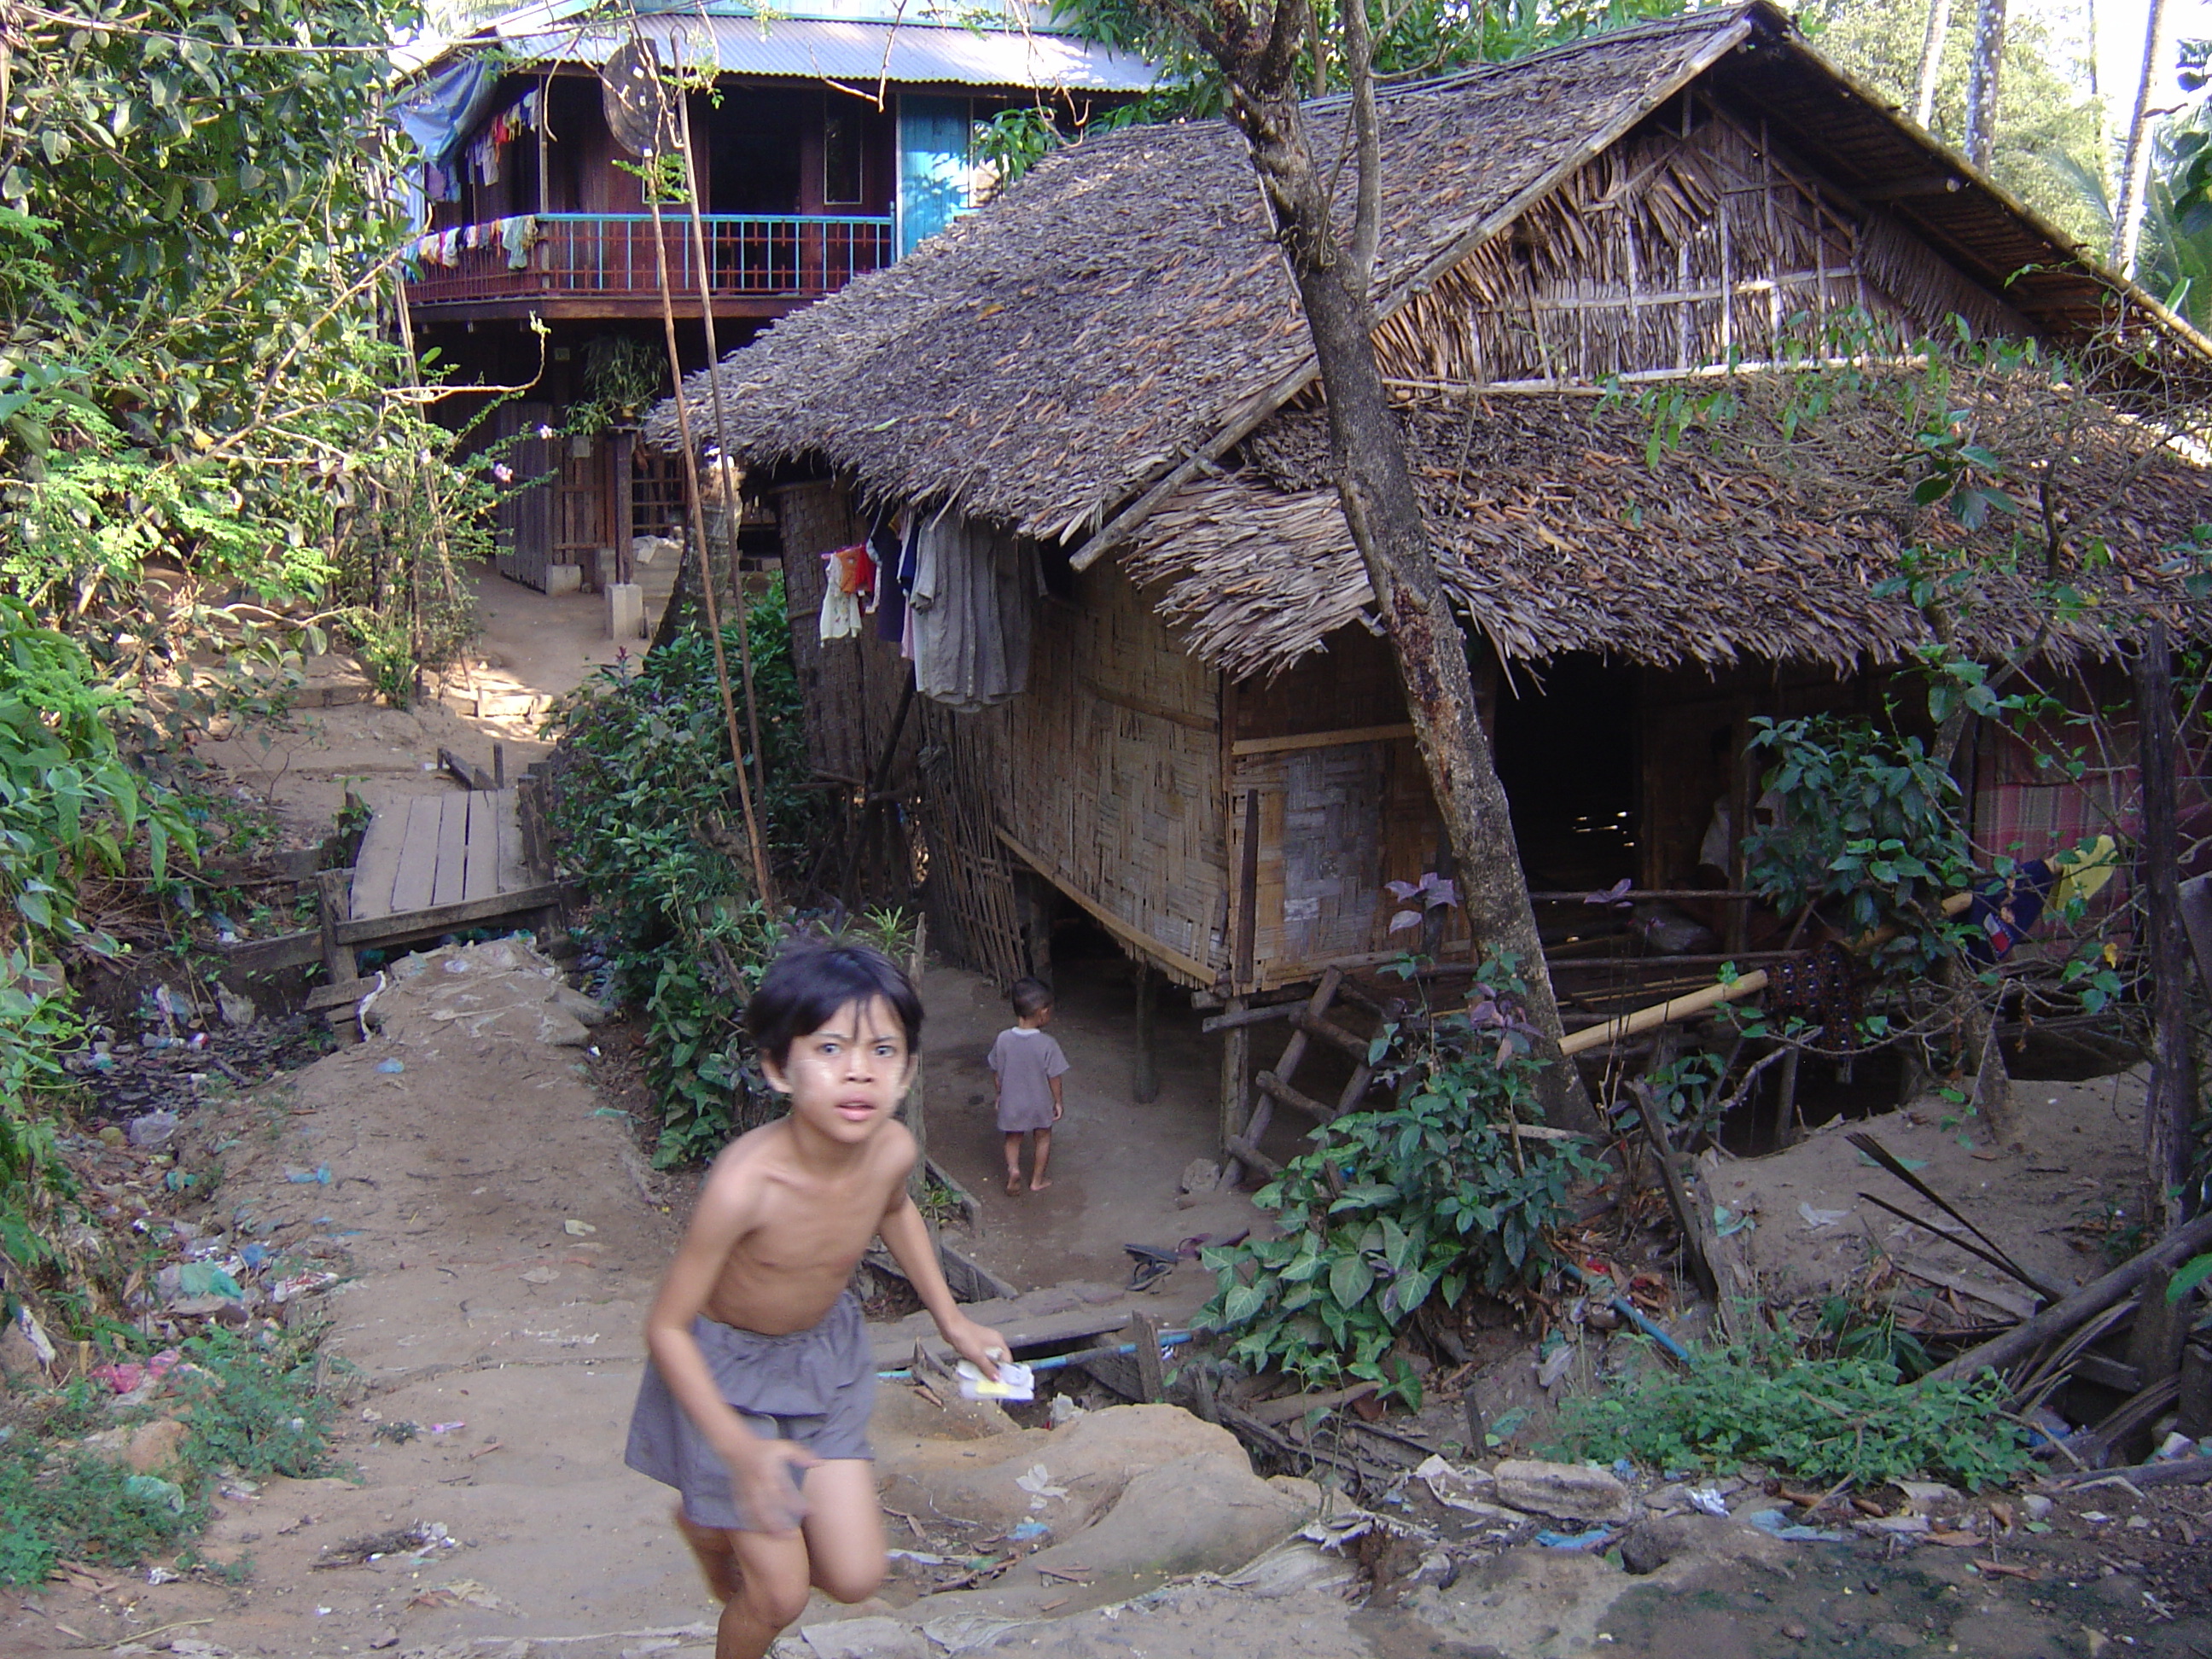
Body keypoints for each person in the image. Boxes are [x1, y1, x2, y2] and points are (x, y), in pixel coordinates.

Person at [625, 941, 1006, 1659]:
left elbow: (895, 1213)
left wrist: (953, 1320)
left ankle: (713, 1521)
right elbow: (667, 1327)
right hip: (727, 1379)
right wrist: (738, 1449)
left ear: (907, 1071)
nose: (859, 1069)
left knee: (856, 1576)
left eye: (883, 1051)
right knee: (779, 1596)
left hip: (823, 1362)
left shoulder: (892, 1150)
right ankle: (713, 1528)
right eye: (830, 1047)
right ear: (777, 1068)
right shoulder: (746, 1185)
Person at [987, 976, 1068, 1196]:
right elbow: (1054, 1077)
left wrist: (999, 1094)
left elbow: (997, 1071)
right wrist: (1058, 1101)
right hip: (1039, 1103)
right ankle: (1037, 1180)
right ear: (1043, 1013)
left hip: (1011, 1101)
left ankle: (1013, 1170)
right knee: (1043, 1137)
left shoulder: (1003, 1039)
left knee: (1012, 1138)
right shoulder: (1047, 1044)